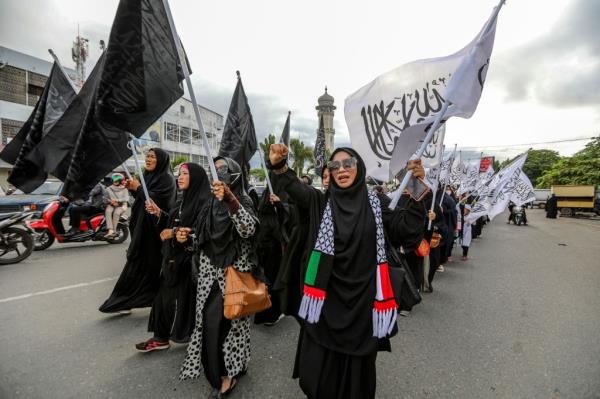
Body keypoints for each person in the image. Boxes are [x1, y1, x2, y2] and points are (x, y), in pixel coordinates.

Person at [269, 144, 425, 399]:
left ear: (359, 168)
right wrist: (278, 165)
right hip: (325, 305)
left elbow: (406, 229)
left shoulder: (377, 204)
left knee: (356, 384)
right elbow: (296, 189)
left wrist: (416, 184)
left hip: (363, 307)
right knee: (318, 379)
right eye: (334, 166)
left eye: (347, 163)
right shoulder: (320, 203)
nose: (341, 169)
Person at [179, 157, 259, 399]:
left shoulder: (242, 200)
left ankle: (233, 370)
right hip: (208, 278)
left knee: (233, 326)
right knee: (211, 327)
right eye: (215, 169)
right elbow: (205, 238)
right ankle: (221, 375)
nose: (219, 172)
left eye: (224, 168)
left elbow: (249, 230)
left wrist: (230, 200)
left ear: (234, 175)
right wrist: (186, 236)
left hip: (233, 277)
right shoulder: (209, 205)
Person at [136, 163, 211, 352]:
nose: (180, 177)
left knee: (192, 302)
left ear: (196, 178)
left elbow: (204, 231)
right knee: (163, 299)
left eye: (185, 174)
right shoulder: (181, 199)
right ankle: (161, 337)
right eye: (179, 173)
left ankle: (197, 336)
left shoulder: (205, 202)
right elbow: (174, 220)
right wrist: (160, 213)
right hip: (173, 259)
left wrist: (177, 232)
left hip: (191, 262)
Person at [99, 148, 176, 314]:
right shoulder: (147, 176)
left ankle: (122, 301)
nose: (148, 159)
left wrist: (139, 187)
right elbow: (142, 199)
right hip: (141, 228)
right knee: (142, 267)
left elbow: (158, 202)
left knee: (140, 267)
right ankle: (143, 299)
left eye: (152, 157)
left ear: (161, 160)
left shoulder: (167, 179)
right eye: (147, 156)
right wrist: (134, 188)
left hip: (154, 233)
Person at [104, 173, 130, 238]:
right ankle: (110, 230)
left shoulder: (124, 189)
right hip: (111, 204)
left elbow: (126, 198)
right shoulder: (108, 189)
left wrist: (117, 201)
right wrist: (111, 202)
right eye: (114, 181)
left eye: (117, 181)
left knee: (116, 213)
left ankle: (114, 231)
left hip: (122, 205)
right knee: (108, 211)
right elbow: (105, 198)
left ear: (121, 181)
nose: (115, 182)